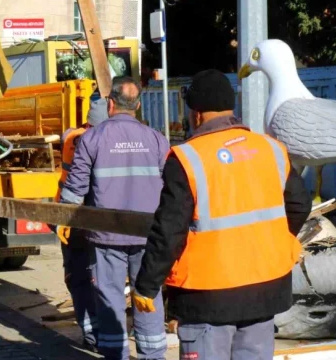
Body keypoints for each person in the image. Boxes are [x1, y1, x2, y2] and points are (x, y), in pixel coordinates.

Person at [133, 69, 311, 360]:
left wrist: (146, 285)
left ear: (197, 115)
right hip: (265, 288)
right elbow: (300, 205)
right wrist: (269, 243)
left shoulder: (188, 158)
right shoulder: (271, 149)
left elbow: (169, 230)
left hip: (208, 294)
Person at [61, 77, 170, 360]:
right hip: (147, 233)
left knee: (109, 296)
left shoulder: (92, 138)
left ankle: (114, 353)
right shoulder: (157, 139)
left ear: (110, 104)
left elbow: (75, 191)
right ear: (138, 105)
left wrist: (60, 220)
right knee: (147, 293)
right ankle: (153, 354)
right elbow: (171, 187)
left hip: (106, 235)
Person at [53, 94, 108, 351]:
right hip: (91, 220)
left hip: (69, 218)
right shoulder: (102, 141)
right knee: (99, 277)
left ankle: (90, 331)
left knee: (79, 278)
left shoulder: (71, 137)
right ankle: (99, 332)